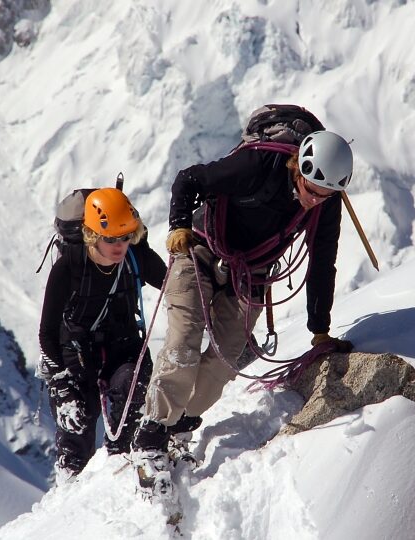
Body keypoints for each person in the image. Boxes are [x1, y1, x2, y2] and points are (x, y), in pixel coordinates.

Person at [131, 130, 356, 492]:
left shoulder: (326, 203)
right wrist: (178, 228)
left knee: (225, 358)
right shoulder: (257, 165)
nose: (314, 201)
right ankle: (150, 434)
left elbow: (322, 260)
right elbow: (189, 179)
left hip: (251, 271)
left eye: (325, 195)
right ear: (298, 168)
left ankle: (179, 428)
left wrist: (320, 329)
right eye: (312, 191)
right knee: (184, 339)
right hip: (200, 249)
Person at [37, 187, 166, 483]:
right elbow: (47, 332)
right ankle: (69, 485)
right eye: (111, 239)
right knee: (78, 428)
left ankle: (121, 467)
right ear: (92, 236)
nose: (120, 245)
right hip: (76, 355)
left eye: (125, 237)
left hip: (124, 347)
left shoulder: (136, 259)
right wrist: (62, 385)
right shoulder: (68, 268)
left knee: (132, 394)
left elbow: (175, 284)